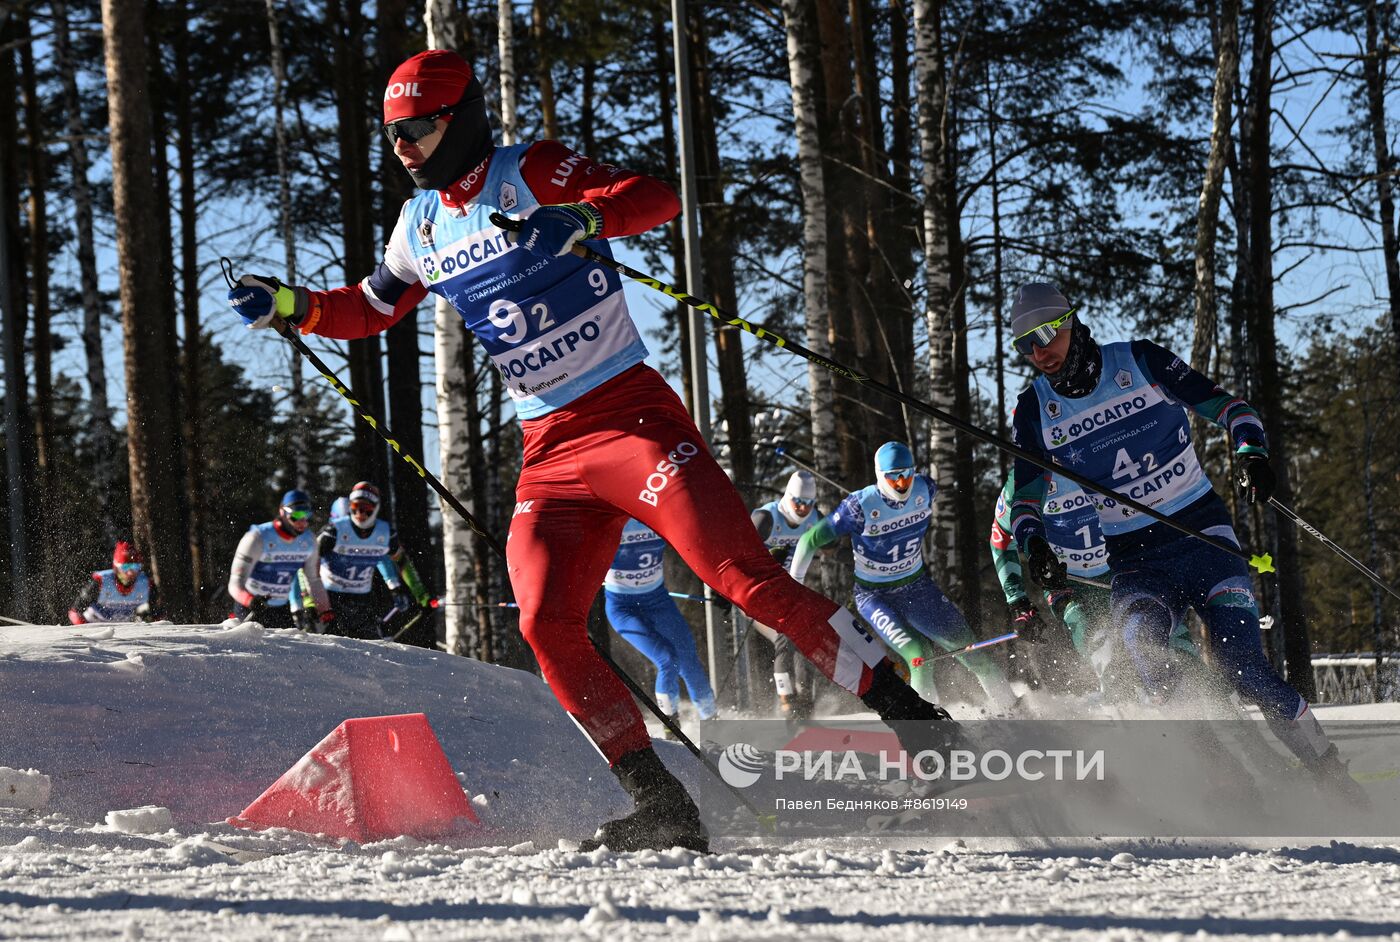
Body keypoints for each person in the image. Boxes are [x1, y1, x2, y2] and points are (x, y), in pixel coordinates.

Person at [225, 48, 952, 853]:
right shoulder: (418, 225)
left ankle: (928, 735)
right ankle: (662, 805)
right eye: (390, 134)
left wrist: (584, 216)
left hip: (630, 419)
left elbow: (656, 195)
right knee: (545, 622)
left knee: (745, 580)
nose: (401, 147)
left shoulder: (528, 169)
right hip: (549, 452)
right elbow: (369, 306)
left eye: (417, 129)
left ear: (459, 119)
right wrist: (288, 303)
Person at [1004, 281, 1363, 798]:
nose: (1040, 352)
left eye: (1045, 333)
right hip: (1135, 559)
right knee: (1143, 654)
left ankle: (1330, 772)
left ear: (1070, 320)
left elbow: (1230, 407)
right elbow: (1026, 497)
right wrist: (1034, 542)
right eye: (1024, 345)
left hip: (1204, 539)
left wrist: (1251, 453)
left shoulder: (1139, 361)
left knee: (1247, 672)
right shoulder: (1034, 409)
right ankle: (1226, 781)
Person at [789, 442, 1017, 713]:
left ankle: (1015, 712)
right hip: (875, 596)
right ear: (879, 475)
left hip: (918, 588)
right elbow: (809, 539)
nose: (901, 483)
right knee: (921, 655)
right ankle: (929, 727)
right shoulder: (859, 506)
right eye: (893, 476)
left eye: (906, 474)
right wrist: (794, 587)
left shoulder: (925, 489)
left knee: (972, 651)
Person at [990, 466, 1198, 698]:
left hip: (1125, 567)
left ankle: (1212, 705)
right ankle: (1130, 717)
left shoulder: (1097, 447)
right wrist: (1017, 600)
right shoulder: (1027, 474)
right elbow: (1000, 536)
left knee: (1171, 641)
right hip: (1069, 584)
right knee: (1107, 660)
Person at [603, 519, 717, 726]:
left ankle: (713, 723)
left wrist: (722, 586)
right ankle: (671, 727)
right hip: (623, 608)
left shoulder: (655, 514)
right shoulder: (612, 518)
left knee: (690, 663)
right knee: (667, 659)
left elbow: (696, 544)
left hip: (658, 601)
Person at [301, 482, 432, 641]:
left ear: (376, 508)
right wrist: (309, 602)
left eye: (366, 509)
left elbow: (402, 562)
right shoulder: (334, 531)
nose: (360, 514)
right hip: (331, 599)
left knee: (370, 652)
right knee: (327, 650)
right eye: (355, 507)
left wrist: (421, 595)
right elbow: (305, 563)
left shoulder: (385, 534)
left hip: (362, 602)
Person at [749, 471, 821, 718]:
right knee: (785, 637)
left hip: (789, 597)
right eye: (797, 502)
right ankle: (787, 703)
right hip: (757, 597)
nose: (802, 509)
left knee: (806, 637)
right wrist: (768, 559)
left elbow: (834, 540)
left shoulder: (814, 519)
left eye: (808, 504)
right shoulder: (766, 518)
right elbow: (740, 557)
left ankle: (805, 704)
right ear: (787, 497)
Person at [228, 489, 332, 632]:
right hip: (249, 607)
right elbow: (235, 582)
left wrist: (323, 610)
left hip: (281, 609)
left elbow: (313, 580)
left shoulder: (309, 541)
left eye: (306, 515)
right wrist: (250, 600)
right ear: (282, 512)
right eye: (296, 515)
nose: (302, 521)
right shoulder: (257, 537)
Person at [67, 541, 157, 625]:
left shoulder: (146, 584)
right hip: (94, 628)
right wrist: (85, 629)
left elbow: (158, 615)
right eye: (125, 567)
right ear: (116, 567)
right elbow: (74, 612)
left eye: (135, 567)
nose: (130, 572)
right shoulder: (100, 582)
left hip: (124, 631)